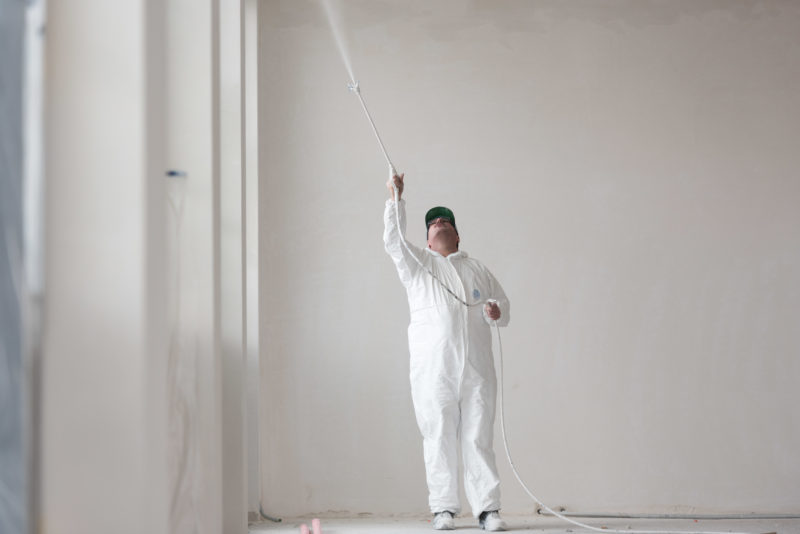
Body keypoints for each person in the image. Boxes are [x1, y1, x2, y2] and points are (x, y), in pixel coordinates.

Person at [383, 173, 510, 531]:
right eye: (433, 222)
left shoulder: (477, 269)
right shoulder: (418, 265)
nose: (438, 222)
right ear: (426, 238)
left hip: (477, 369)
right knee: (437, 434)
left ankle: (487, 510)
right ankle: (443, 509)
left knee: (477, 436)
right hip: (434, 369)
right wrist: (396, 199)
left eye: (445, 220)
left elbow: (503, 306)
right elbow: (393, 241)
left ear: (457, 234)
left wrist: (497, 312)